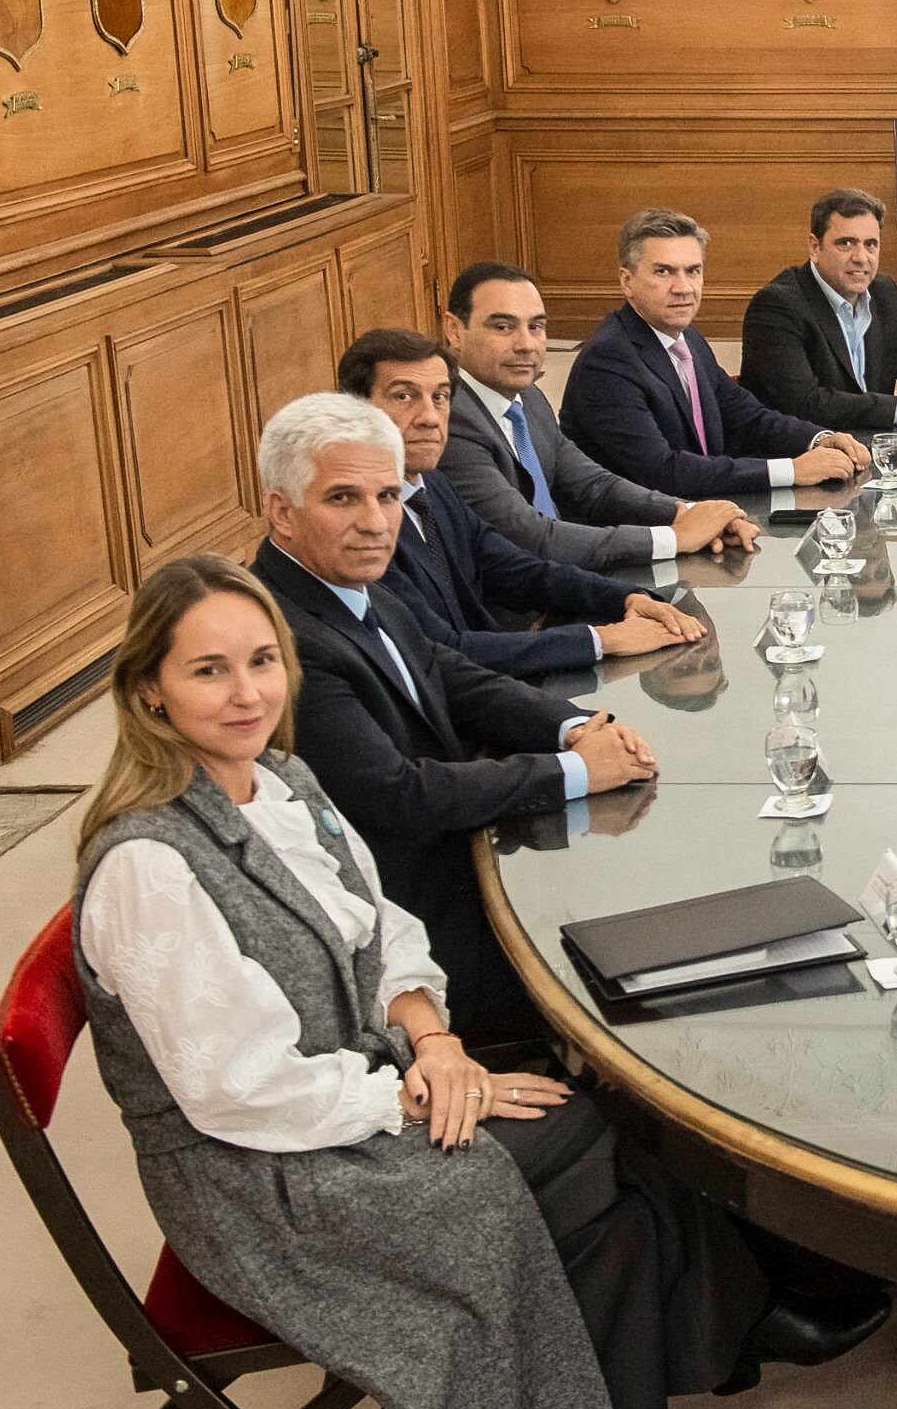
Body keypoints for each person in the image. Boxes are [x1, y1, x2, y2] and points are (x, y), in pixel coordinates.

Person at [72, 556, 891, 1409]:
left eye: (262, 661)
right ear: (150, 692)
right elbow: (239, 1092)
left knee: (601, 1165)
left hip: (356, 1090)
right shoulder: (149, 868)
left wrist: (437, 1044)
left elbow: (383, 926)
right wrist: (418, 1097)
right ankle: (719, 1328)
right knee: (594, 1147)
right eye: (209, 670)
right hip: (262, 1176)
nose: (247, 693)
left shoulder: (279, 784)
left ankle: (689, 1346)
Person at [248, 393, 658, 1040]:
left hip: (458, 861)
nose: (375, 521)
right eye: (343, 498)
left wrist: (571, 725)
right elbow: (400, 794)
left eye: (386, 496)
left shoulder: (347, 580)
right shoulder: (283, 639)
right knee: (640, 989)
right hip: (415, 931)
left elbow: (445, 671)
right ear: (282, 511)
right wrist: (571, 771)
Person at [339, 328, 706, 681]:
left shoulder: (431, 485)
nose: (429, 418)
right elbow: (442, 650)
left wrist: (626, 598)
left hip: (492, 688)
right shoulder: (360, 527)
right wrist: (601, 640)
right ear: (356, 409)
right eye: (404, 396)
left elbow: (517, 569)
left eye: (440, 396)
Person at [439, 261, 760, 571]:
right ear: (455, 330)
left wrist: (690, 514)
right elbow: (533, 537)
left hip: (566, 581)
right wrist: (674, 538)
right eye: (503, 327)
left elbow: (595, 485)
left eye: (535, 327)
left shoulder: (529, 399)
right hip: (515, 613)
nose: (526, 345)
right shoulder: (451, 421)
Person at [562, 209, 870, 498]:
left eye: (693, 271)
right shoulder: (607, 362)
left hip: (704, 509)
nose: (683, 287)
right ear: (626, 281)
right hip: (637, 535)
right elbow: (662, 471)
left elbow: (747, 416)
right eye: (664, 272)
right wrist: (791, 469)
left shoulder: (688, 338)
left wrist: (818, 438)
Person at [741, 187, 897, 431]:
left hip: (872, 450)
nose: (861, 257)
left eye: (871, 244)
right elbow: (804, 405)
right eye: (846, 243)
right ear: (814, 247)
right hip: (803, 455)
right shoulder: (777, 306)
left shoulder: (884, 294)